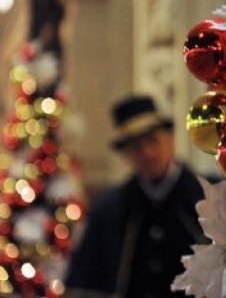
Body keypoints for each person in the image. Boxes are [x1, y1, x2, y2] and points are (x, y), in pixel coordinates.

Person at [65, 95, 207, 298]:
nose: (147, 153)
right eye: (135, 146)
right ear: (126, 154)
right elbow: (86, 281)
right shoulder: (110, 209)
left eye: (152, 140)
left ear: (170, 139)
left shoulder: (206, 197)